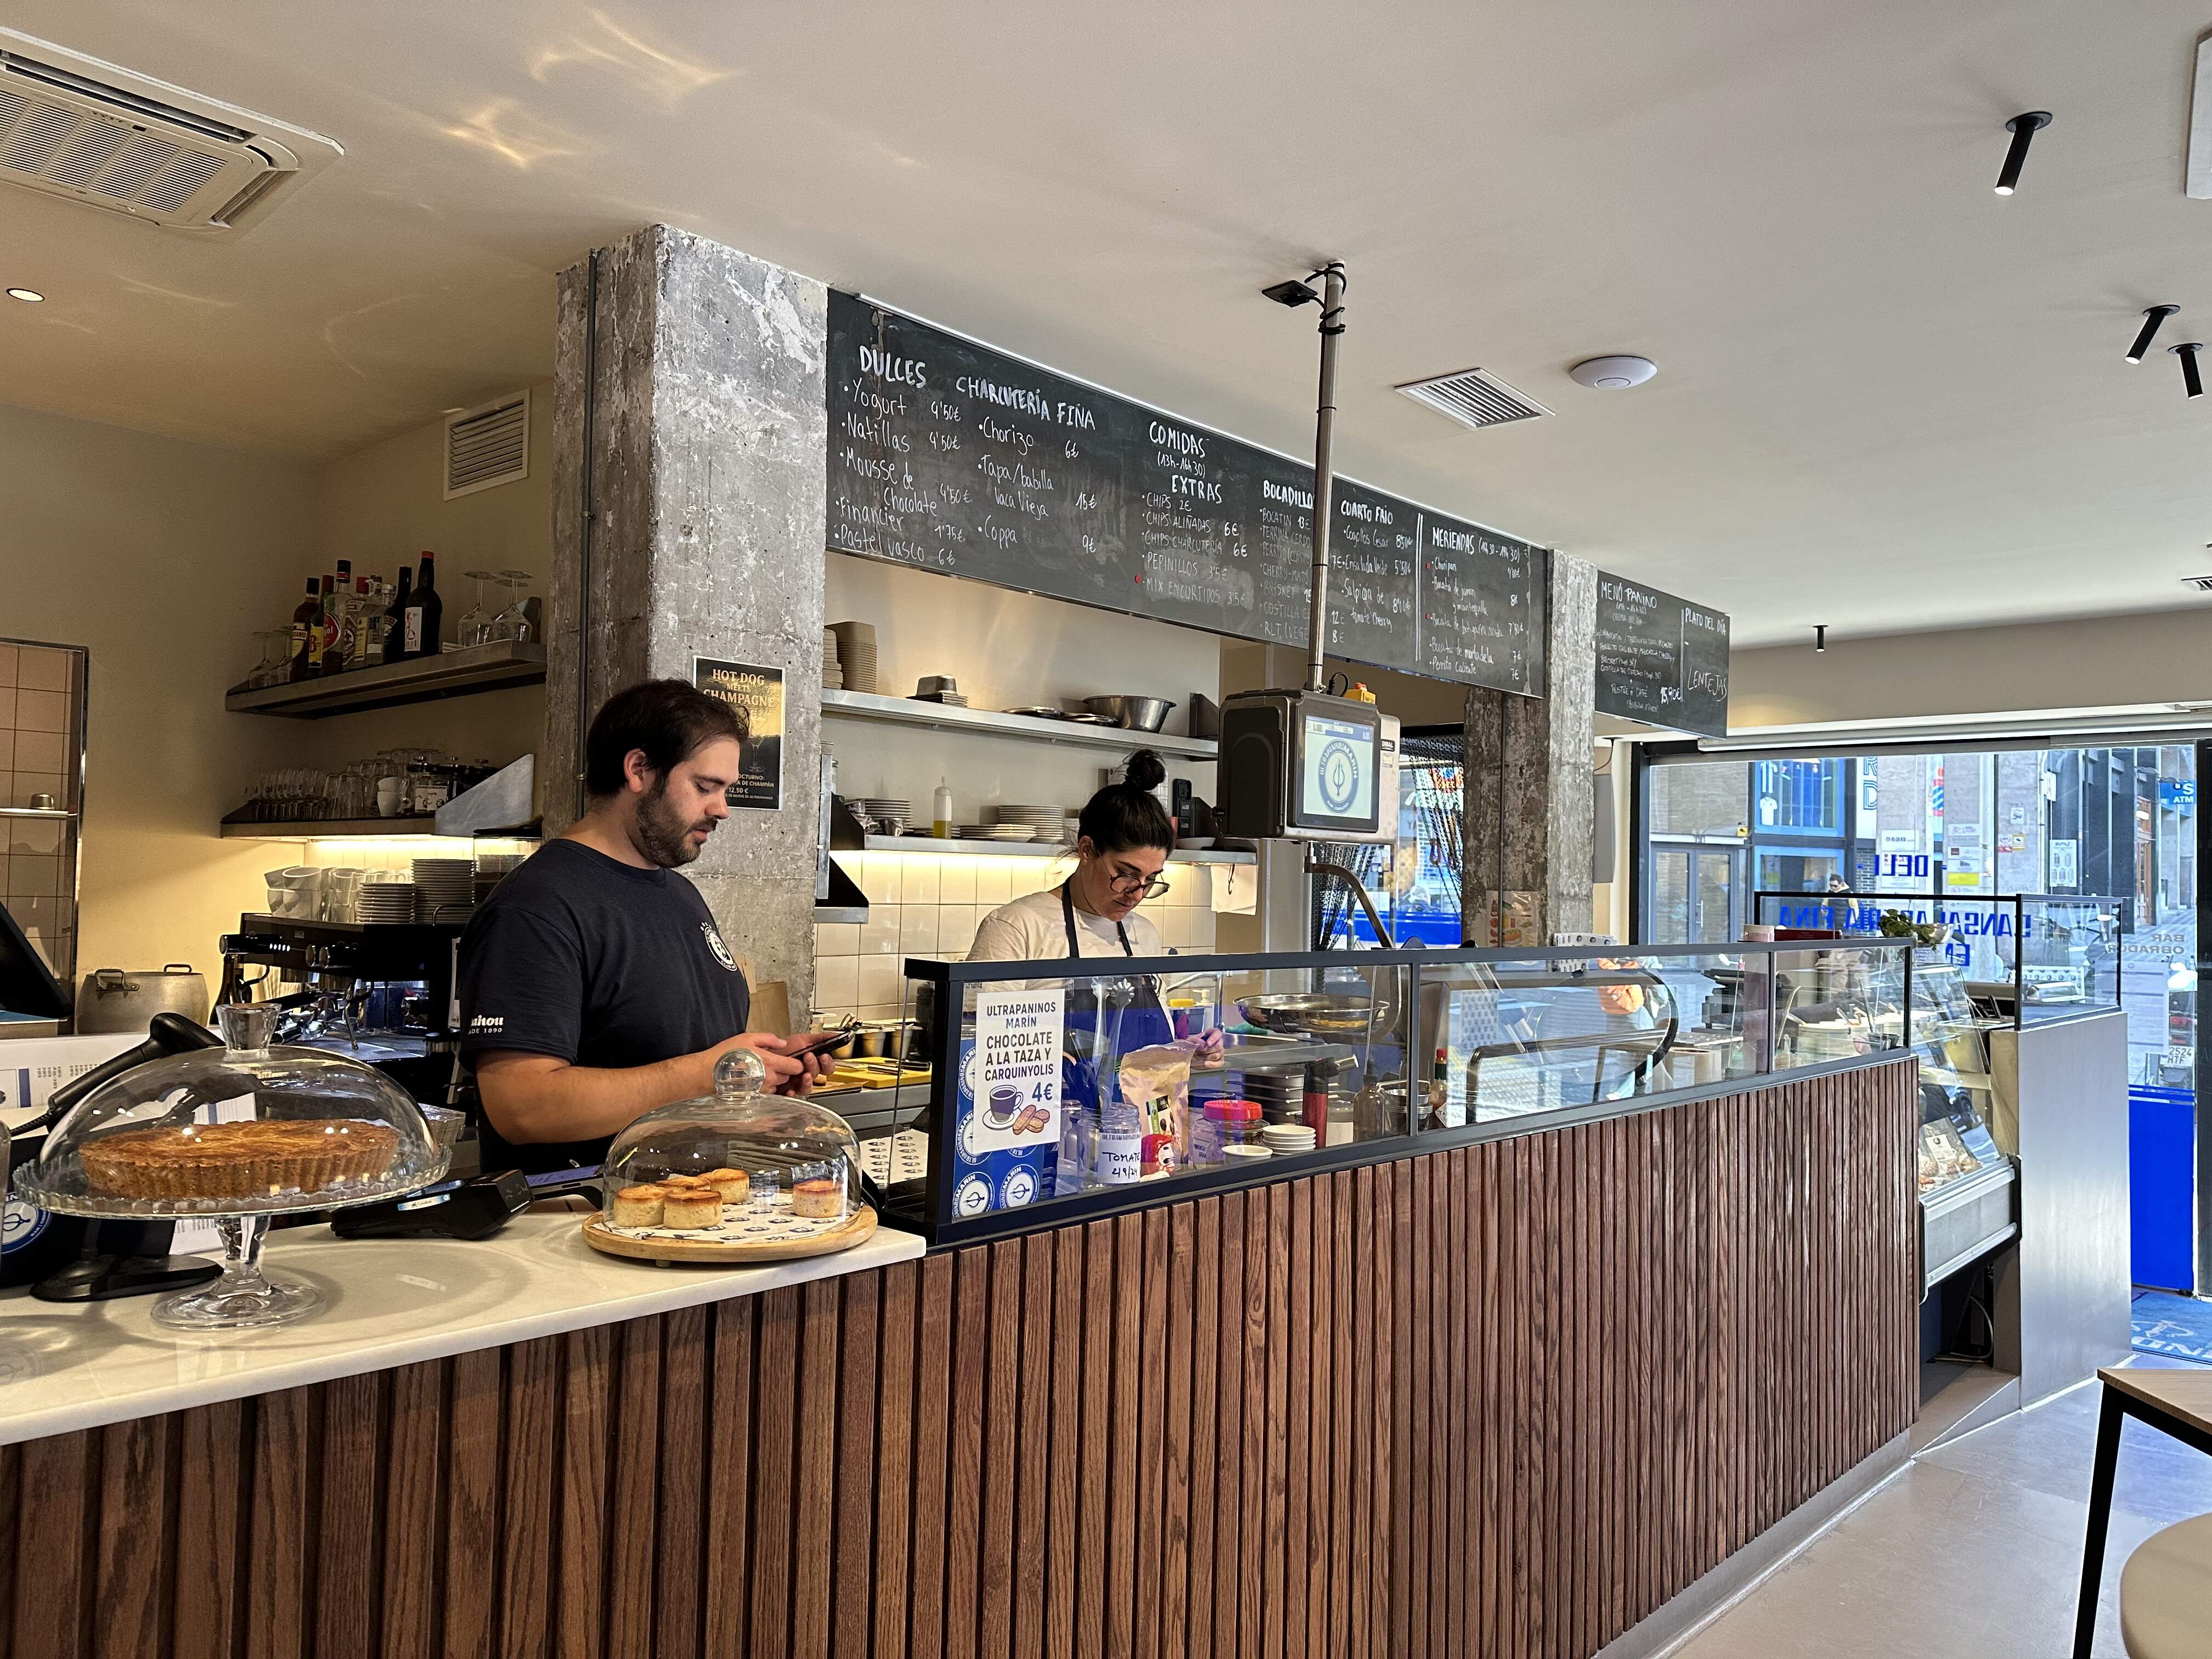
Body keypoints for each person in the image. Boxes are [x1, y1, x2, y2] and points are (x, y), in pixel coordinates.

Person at [457, 678, 828, 1172]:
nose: (722, 809)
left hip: (692, 1201)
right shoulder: (536, 908)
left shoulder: (680, 895)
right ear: (638, 770)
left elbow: (679, 1056)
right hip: (580, 1210)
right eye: (705, 787)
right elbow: (522, 1108)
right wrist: (708, 1074)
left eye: (726, 790)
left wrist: (756, 1073)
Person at [968, 749, 1173, 962]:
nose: (1137, 896)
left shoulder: (1145, 934)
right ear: (1087, 850)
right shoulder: (1016, 927)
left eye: (1150, 879)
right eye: (1127, 874)